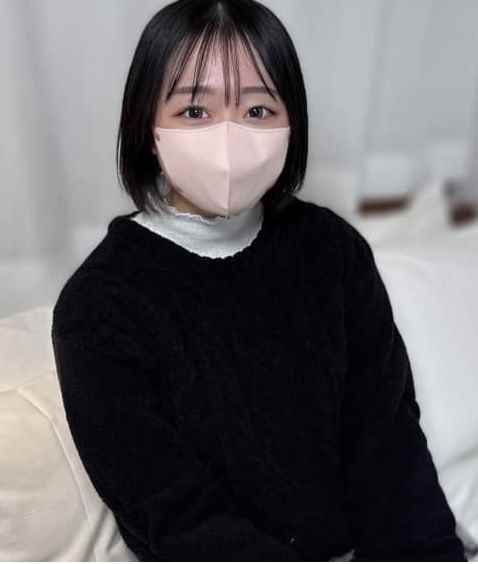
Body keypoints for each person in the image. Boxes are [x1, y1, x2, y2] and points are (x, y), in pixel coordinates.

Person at [51, 0, 467, 561]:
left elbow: (389, 443)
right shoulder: (98, 307)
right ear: (148, 127)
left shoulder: (332, 250)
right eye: (194, 111)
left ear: (290, 124)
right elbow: (176, 518)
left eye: (257, 110)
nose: (229, 137)